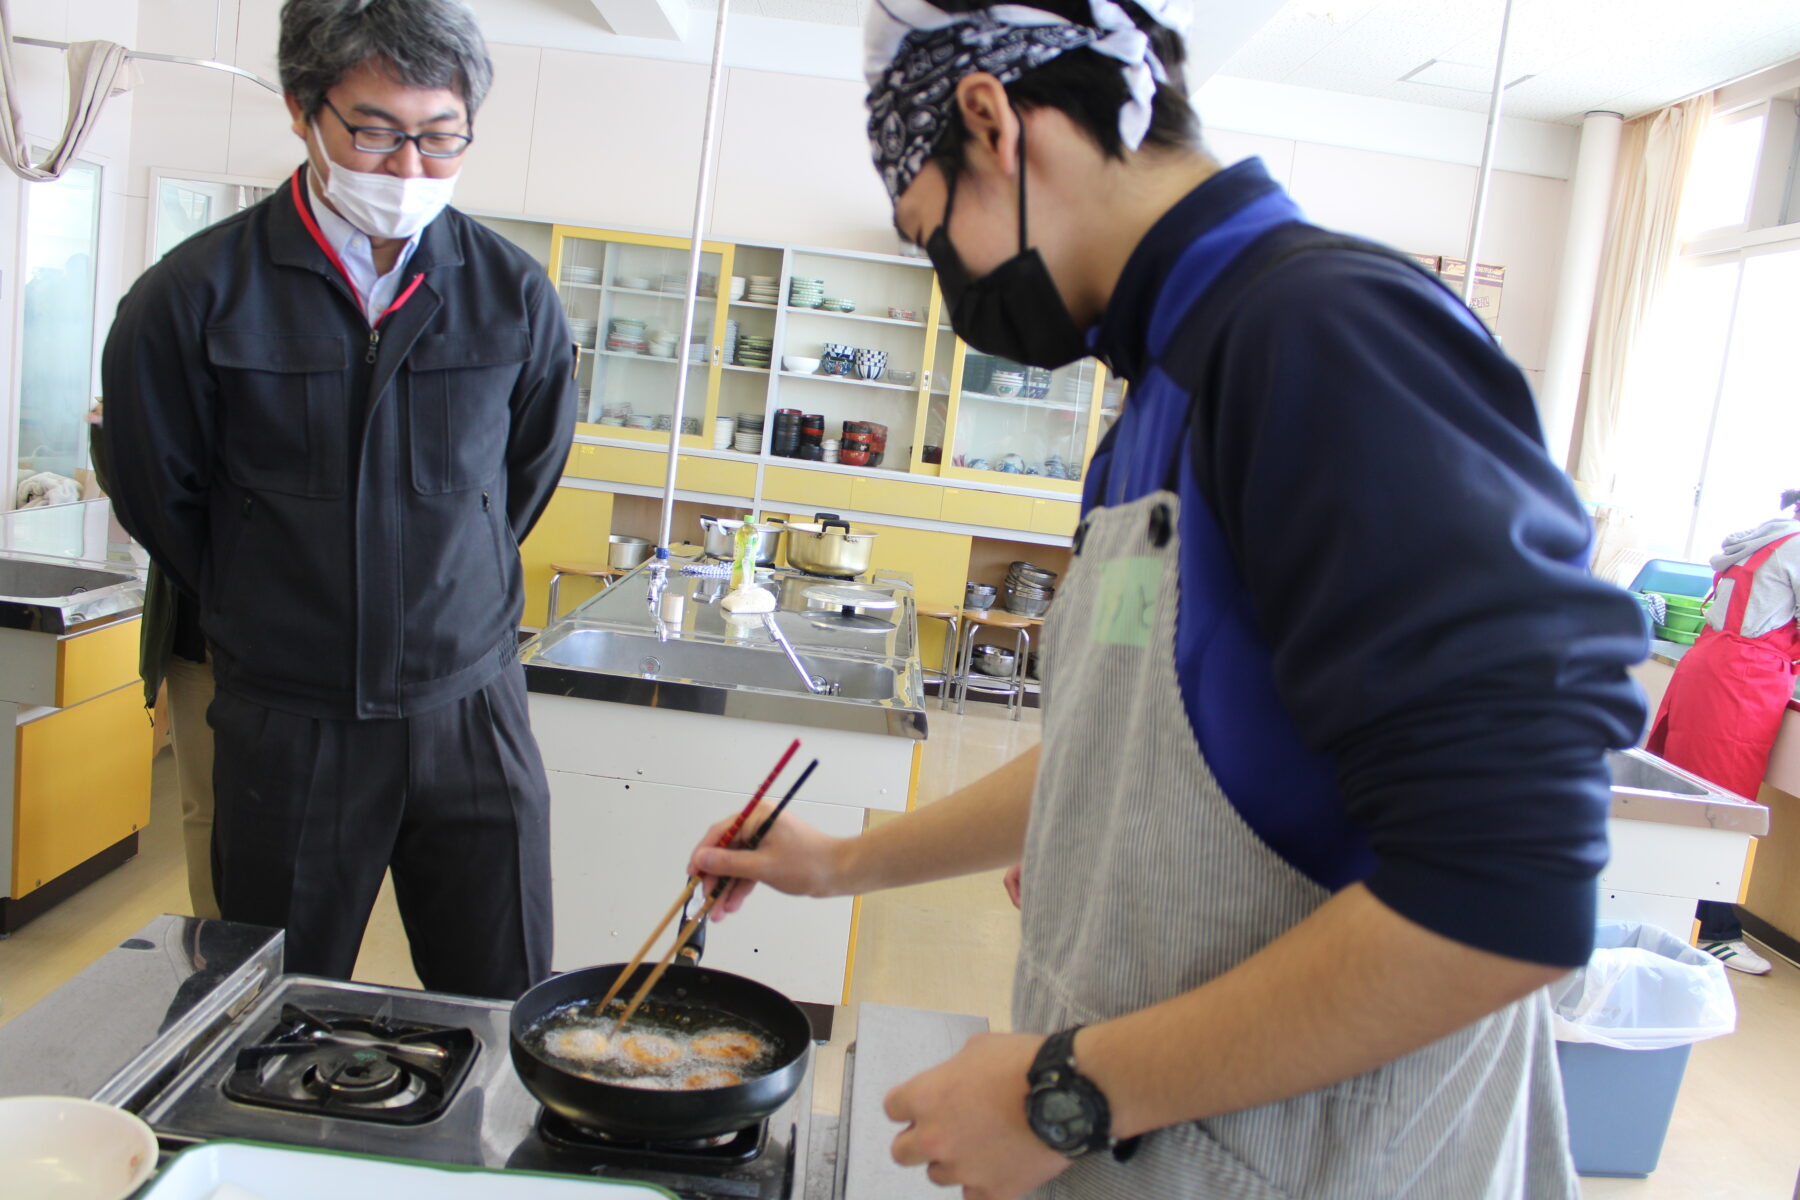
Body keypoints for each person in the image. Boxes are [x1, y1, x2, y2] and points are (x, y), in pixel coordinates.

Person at [690, 0, 1648, 1194]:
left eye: (933, 235)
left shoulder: (1323, 335)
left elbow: (1508, 891)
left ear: (992, 122)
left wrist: (1066, 1093)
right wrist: (840, 864)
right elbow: (1125, 744)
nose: (956, 288)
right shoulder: (1160, 388)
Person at [100, 0, 576, 1001]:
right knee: (267, 1009)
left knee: (501, 1001)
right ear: (302, 111)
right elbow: (161, 493)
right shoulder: (191, 298)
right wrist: (275, 595)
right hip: (291, 717)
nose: (409, 170)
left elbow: (519, 480)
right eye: (375, 132)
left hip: (471, 709)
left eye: (441, 139)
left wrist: (434, 585)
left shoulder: (512, 295)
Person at [1646, 487, 1800, 976]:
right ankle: (1714, 931)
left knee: (1689, 799)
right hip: (1742, 681)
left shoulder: (1769, 536)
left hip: (1709, 666)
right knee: (1722, 808)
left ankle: (1665, 908)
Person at [89, 406, 220, 920]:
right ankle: (219, 951)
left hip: (279, 641)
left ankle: (280, 956)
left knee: (284, 815)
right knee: (204, 806)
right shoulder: (174, 388)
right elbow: (135, 498)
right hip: (195, 637)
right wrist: (109, 430)